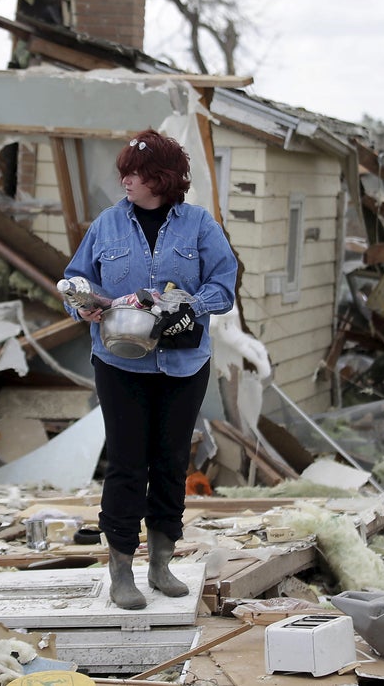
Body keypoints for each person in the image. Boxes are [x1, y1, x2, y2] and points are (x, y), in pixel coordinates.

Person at [61, 128, 238, 610]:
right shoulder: (106, 225)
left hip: (183, 364)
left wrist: (192, 305)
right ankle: (121, 571)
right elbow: (76, 278)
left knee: (170, 462)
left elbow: (225, 285)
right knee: (125, 464)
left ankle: (161, 565)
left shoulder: (199, 225)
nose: (126, 180)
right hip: (119, 364)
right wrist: (84, 306)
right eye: (124, 172)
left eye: (136, 173)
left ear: (162, 178)